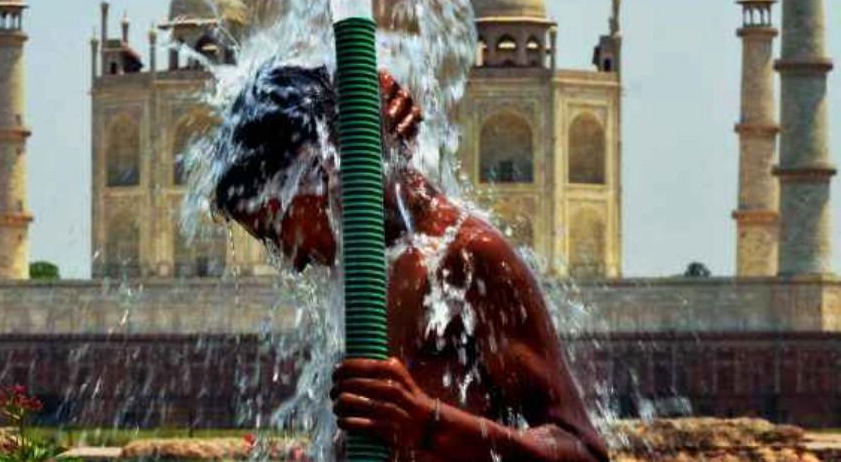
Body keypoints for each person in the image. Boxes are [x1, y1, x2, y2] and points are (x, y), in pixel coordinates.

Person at [213, 64, 609, 462]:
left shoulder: (465, 256)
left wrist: (426, 422)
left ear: (316, 168)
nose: (291, 259)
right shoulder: (363, 274)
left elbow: (584, 452)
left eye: (274, 230)